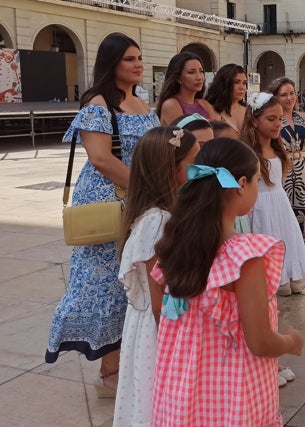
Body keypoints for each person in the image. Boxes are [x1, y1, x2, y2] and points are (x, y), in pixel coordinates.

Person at [152, 138, 304, 426]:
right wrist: (288, 341)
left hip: (181, 391)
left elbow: (162, 311)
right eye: (258, 180)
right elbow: (259, 341)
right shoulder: (244, 256)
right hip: (232, 394)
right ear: (242, 183)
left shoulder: (175, 243)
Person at [45, 33, 160, 397]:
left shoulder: (142, 105)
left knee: (136, 279)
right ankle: (110, 373)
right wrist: (147, 188)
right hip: (109, 202)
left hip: (140, 201)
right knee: (107, 285)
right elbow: (100, 158)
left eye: (139, 57)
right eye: (130, 59)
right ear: (111, 63)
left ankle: (130, 363)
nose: (138, 64)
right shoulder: (98, 103)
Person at [113, 126, 199, 427]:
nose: (200, 167)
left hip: (159, 323)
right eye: (193, 160)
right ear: (171, 169)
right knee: (156, 399)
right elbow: (158, 299)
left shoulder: (168, 214)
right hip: (158, 330)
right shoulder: (156, 222)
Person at [240, 91, 305, 298]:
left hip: (279, 202)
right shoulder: (248, 151)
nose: (277, 125)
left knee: (285, 237)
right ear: (254, 121)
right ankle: (276, 276)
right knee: (269, 236)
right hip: (260, 205)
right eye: (271, 119)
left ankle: (290, 272)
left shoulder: (277, 146)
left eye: (279, 119)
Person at [268, 77, 305, 249]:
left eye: (292, 93)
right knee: (285, 219)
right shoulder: (273, 120)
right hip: (284, 176)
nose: (289, 98)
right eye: (283, 94)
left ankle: (300, 257)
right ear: (275, 97)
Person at [156, 52, 218, 126]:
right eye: (191, 72)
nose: (199, 77)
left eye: (201, 71)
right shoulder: (171, 105)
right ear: (178, 77)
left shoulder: (204, 104)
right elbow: (181, 136)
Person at [205, 63, 247, 136]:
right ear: (224, 83)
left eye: (244, 83)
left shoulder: (248, 111)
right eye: (236, 82)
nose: (242, 87)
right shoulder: (210, 110)